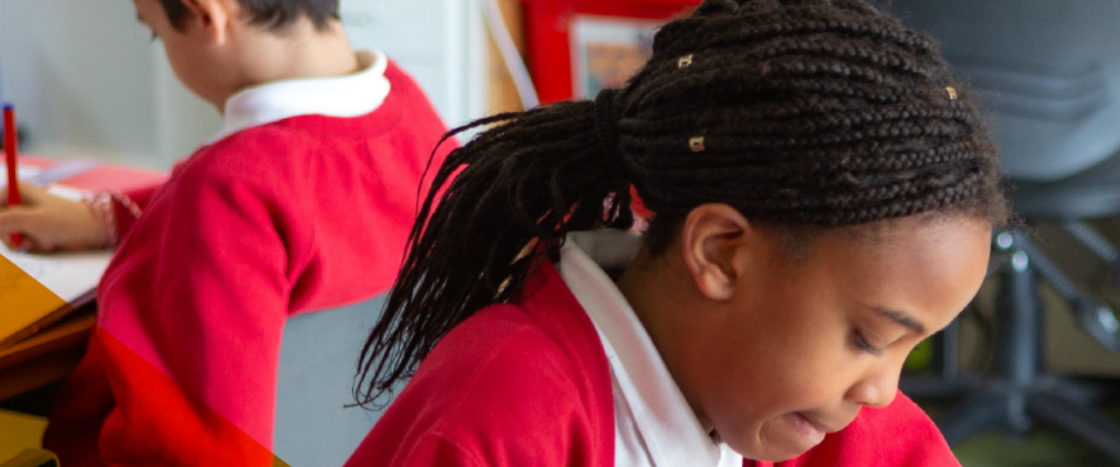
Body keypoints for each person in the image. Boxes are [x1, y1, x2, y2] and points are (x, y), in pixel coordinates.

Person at [346, 0, 1008, 465]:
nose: (882, 391)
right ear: (720, 253)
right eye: (867, 338)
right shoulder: (506, 412)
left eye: (905, 348)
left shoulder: (803, 411)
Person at [0, 0, 453, 464]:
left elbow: (195, 452)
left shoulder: (221, 195)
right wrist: (115, 219)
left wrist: (178, 212)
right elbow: (325, 200)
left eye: (157, 34)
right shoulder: (410, 110)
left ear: (205, 16)